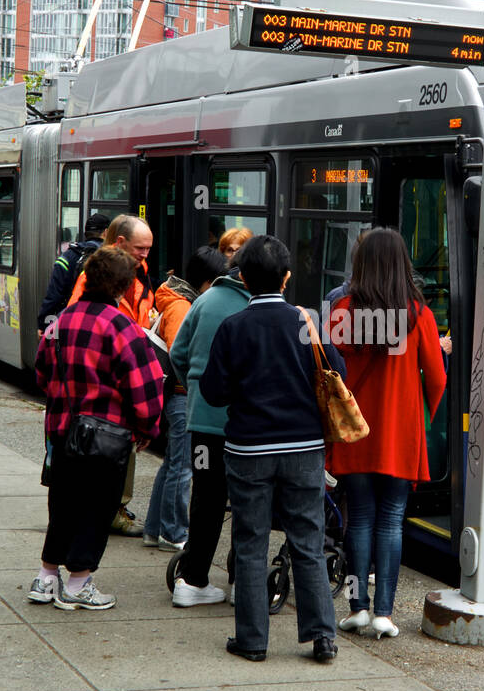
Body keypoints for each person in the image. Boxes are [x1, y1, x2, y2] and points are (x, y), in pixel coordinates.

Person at [199, 235, 344, 662]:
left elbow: (213, 392)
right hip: (304, 449)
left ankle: (252, 640)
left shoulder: (233, 327)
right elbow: (337, 371)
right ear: (286, 277)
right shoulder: (305, 322)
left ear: (242, 277)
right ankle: (322, 636)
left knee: (250, 542)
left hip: (248, 451)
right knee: (308, 540)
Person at [29, 245, 164, 611]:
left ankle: (45, 578)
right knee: (96, 508)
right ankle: (78, 584)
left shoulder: (62, 320)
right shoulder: (123, 328)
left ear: (86, 278)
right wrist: (147, 428)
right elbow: (145, 388)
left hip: (61, 432)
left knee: (61, 503)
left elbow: (42, 373)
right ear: (122, 287)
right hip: (106, 437)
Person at [327, 228, 446, 640]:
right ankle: (384, 614)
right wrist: (422, 416)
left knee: (358, 517)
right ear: (402, 264)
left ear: (361, 265)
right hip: (399, 431)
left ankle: (357, 609)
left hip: (354, 430)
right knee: (392, 521)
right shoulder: (419, 315)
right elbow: (437, 377)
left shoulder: (343, 309)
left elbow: (330, 371)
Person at [166, 243, 252, 607]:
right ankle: (240, 581)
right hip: (246, 425)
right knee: (249, 502)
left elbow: (177, 354)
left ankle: (193, 579)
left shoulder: (204, 301)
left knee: (205, 499)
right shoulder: (255, 306)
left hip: (203, 422)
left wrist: (198, 390)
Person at [67, 215, 157, 536]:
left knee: (121, 453)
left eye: (148, 248)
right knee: (105, 453)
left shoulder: (139, 274)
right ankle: (107, 511)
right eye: (140, 248)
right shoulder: (91, 281)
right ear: (120, 243)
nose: (145, 255)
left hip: (125, 371)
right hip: (105, 385)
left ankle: (115, 506)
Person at [143, 246, 228, 551]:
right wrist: (196, 387)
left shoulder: (180, 297)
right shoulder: (182, 306)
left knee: (172, 464)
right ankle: (174, 532)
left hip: (177, 395)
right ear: (206, 281)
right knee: (183, 467)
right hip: (181, 397)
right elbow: (184, 352)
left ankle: (155, 528)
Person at [36, 211, 111, 338]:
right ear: (106, 232)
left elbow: (53, 296)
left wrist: (43, 325)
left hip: (68, 322)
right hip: (101, 325)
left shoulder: (68, 256)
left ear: (85, 233)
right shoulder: (112, 258)